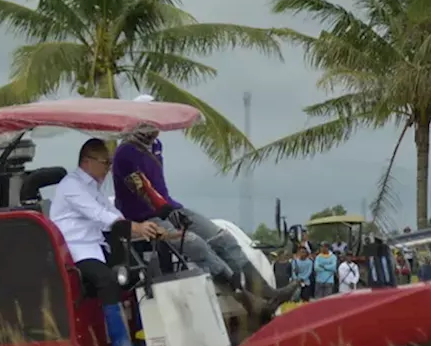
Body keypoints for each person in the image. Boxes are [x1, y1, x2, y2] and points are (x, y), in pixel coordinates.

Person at [111, 118, 296, 314]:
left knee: (222, 237)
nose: (157, 130)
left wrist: (172, 209)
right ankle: (245, 298)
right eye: (151, 125)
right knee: (195, 244)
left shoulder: (155, 145)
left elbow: (160, 187)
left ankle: (267, 291)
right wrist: (167, 211)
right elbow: (144, 191)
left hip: (169, 208)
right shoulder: (125, 153)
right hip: (145, 217)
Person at [49, 139, 163, 346]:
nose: (108, 168)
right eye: (105, 163)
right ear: (87, 161)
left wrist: (146, 230)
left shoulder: (93, 188)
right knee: (108, 281)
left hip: (96, 248)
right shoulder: (71, 186)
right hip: (74, 252)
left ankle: (141, 340)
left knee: (138, 275)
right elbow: (100, 216)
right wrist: (135, 227)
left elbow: (113, 213)